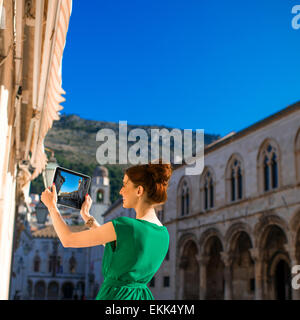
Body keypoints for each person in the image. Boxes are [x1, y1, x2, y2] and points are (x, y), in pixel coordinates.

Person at [40, 160, 173, 300]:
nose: (121, 190)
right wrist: (87, 217)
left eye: (125, 184)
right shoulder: (163, 234)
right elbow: (120, 249)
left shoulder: (126, 225)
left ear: (139, 190)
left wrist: (52, 207)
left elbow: (68, 240)